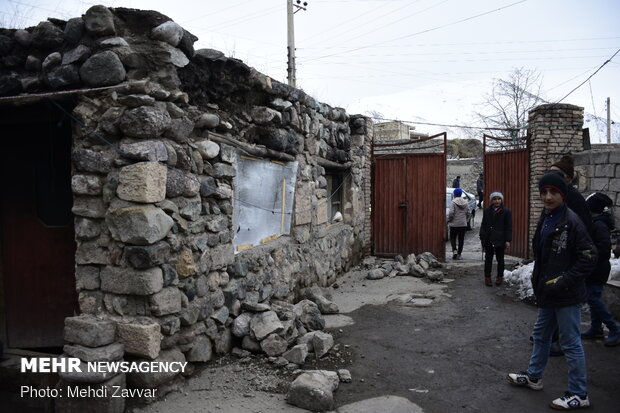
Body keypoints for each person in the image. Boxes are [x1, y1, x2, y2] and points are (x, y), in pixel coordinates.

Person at [507, 172, 597, 410]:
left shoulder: (572, 222)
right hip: (549, 292)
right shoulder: (547, 217)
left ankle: (579, 393)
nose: (548, 197)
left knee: (570, 343)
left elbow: (589, 257)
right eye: (544, 192)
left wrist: (564, 281)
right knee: (541, 335)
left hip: (565, 293)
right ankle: (534, 376)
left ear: (563, 195)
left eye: (553, 192)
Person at [582, 192, 620, 347]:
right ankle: (596, 329)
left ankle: (614, 328)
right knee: (593, 297)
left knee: (593, 298)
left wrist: (587, 253)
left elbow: (603, 249)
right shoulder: (595, 222)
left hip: (598, 268)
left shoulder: (599, 224)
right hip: (594, 267)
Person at [550, 154, 593, 236]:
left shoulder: (574, 198)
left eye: (556, 173)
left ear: (568, 177)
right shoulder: (552, 195)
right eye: (550, 172)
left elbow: (584, 228)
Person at [479, 191, 512, 287]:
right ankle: (487, 277)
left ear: (501, 200)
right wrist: (482, 237)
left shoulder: (506, 212)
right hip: (489, 239)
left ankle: (499, 277)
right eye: (494, 199)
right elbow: (483, 225)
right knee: (488, 259)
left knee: (500, 259)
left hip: (500, 239)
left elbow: (508, 227)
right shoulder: (487, 211)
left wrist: (508, 240)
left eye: (499, 199)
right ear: (491, 200)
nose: (497, 201)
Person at [447, 187, 470, 260]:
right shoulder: (465, 202)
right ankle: (459, 254)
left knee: (452, 237)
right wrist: (466, 220)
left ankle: (454, 250)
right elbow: (468, 213)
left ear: (454, 194)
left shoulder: (453, 202)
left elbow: (451, 213)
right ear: (461, 194)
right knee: (461, 239)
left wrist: (449, 220)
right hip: (463, 224)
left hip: (454, 224)